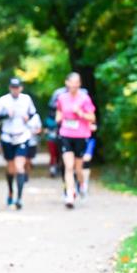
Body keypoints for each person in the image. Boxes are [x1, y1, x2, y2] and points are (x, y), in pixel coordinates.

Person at [0, 77, 37, 210]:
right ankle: (11, 191)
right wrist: (5, 115)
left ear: (21, 88)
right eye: (13, 87)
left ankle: (19, 198)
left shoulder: (26, 99)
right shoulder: (3, 100)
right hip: (7, 137)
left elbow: (33, 113)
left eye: (17, 87)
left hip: (22, 136)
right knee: (11, 168)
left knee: (19, 166)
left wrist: (28, 118)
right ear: (10, 88)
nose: (15, 90)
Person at [55, 71, 97, 209]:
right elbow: (59, 111)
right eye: (71, 85)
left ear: (79, 84)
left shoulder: (84, 98)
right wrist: (59, 117)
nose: (73, 87)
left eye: (76, 85)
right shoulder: (62, 98)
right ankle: (70, 194)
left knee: (78, 168)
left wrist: (80, 113)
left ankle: (82, 185)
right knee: (68, 166)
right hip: (66, 134)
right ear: (66, 83)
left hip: (81, 135)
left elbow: (92, 118)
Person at [80, 124, 97, 199]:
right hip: (77, 140)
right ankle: (78, 182)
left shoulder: (89, 113)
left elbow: (94, 127)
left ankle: (85, 183)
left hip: (89, 140)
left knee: (86, 160)